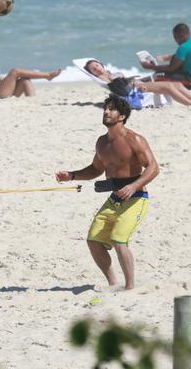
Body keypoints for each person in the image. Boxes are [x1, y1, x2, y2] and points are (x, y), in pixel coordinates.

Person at [55, 96, 159, 290]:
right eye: (105, 109)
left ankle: (130, 287)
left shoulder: (134, 139)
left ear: (122, 116)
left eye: (111, 110)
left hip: (135, 198)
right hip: (114, 199)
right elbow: (95, 169)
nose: (106, 112)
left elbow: (153, 168)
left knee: (119, 240)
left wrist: (133, 186)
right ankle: (113, 284)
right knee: (93, 241)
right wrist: (72, 175)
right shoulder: (102, 143)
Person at [83, 59, 191, 106]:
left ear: (101, 64)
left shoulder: (109, 73)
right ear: (93, 73)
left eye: (97, 65)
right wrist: (138, 84)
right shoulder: (104, 79)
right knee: (168, 86)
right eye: (94, 69)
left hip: (137, 83)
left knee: (176, 84)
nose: (97, 68)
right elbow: (120, 89)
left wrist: (139, 81)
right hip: (135, 89)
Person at [140, 23, 191, 89]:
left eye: (175, 37)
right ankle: (142, 80)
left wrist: (150, 67)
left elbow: (171, 68)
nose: (175, 40)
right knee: (165, 70)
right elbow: (176, 67)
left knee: (159, 76)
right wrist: (156, 68)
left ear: (181, 35)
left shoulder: (184, 47)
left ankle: (141, 82)